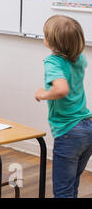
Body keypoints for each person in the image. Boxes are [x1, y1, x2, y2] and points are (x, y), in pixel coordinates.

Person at [34, 15, 92, 198]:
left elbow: (61, 89)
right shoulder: (79, 58)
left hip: (69, 132)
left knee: (62, 190)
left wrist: (43, 93)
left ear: (51, 41)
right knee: (72, 183)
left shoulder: (54, 61)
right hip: (87, 127)